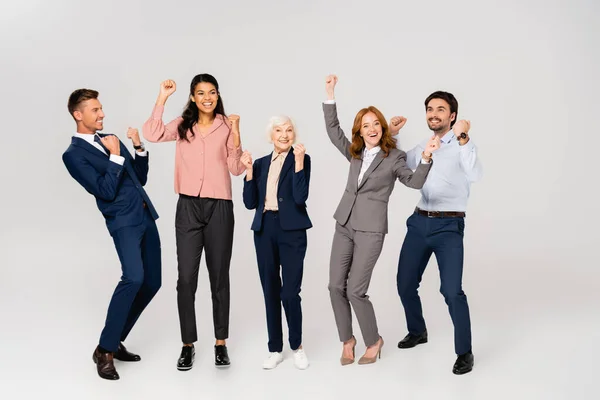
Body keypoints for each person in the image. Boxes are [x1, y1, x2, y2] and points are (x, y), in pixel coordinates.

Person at [322, 75, 438, 366]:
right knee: (335, 286)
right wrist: (329, 93)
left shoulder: (394, 157)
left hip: (371, 230)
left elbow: (413, 183)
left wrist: (425, 158)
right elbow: (333, 130)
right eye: (366, 125)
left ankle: (373, 340)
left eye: (376, 123)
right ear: (360, 131)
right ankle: (347, 340)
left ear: (382, 127)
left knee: (355, 290)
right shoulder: (355, 151)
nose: (371, 128)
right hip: (344, 223)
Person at [142, 74, 245, 370]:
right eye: (201, 93)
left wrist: (237, 133)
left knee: (218, 277)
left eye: (212, 92)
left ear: (217, 94)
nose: (207, 98)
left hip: (220, 208)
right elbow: (152, 133)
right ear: (192, 97)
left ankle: (220, 343)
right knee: (186, 279)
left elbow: (236, 168)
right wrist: (162, 97)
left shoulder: (226, 125)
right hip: (187, 206)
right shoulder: (182, 125)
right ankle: (188, 344)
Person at [62, 89, 161, 380]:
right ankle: (105, 351)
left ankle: (113, 340)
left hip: (145, 216)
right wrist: (116, 157)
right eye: (95, 110)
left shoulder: (113, 139)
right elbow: (104, 191)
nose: (102, 114)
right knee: (133, 277)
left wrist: (138, 147)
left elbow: (139, 178)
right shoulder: (73, 155)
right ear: (78, 115)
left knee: (152, 282)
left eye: (101, 108)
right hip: (123, 222)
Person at [392, 91, 483, 375]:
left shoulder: (463, 145)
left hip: (449, 227)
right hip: (419, 222)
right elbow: (396, 164)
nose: (434, 114)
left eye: (440, 110)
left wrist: (464, 137)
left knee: (452, 291)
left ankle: (464, 352)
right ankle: (418, 331)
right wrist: (393, 135)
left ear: (452, 115)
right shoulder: (423, 145)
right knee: (405, 283)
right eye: (430, 109)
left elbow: (475, 174)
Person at [241, 116, 312, 370]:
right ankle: (275, 349)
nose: (284, 135)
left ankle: (297, 347)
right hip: (264, 230)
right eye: (279, 131)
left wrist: (300, 163)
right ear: (271, 135)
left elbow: (300, 197)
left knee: (290, 292)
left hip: (292, 230)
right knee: (270, 290)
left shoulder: (301, 159)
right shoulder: (260, 164)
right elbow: (250, 203)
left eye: (289, 130)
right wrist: (249, 171)